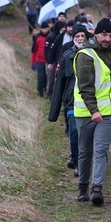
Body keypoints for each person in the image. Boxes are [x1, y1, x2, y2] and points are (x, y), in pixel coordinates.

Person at [74, 18, 111, 205]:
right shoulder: (85, 55)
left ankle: (97, 188)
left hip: (108, 114)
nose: (107, 39)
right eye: (103, 35)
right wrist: (93, 110)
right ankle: (83, 186)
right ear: (96, 34)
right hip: (86, 113)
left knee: (101, 150)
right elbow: (85, 86)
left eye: (110, 35)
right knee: (85, 151)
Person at [48, 24, 90, 177]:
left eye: (82, 36)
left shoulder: (93, 55)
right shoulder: (67, 56)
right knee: (73, 131)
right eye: (77, 36)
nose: (80, 38)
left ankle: (84, 160)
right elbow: (60, 84)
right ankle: (77, 162)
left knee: (85, 134)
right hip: (72, 102)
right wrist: (55, 110)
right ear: (73, 39)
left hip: (89, 102)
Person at [30, 22, 50, 97]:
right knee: (40, 77)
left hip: (47, 61)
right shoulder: (37, 38)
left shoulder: (50, 37)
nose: (45, 30)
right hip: (39, 61)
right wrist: (32, 63)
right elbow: (33, 51)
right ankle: (40, 92)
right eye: (43, 29)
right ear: (41, 29)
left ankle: (46, 90)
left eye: (46, 29)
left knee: (46, 77)